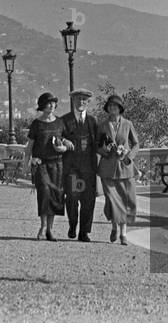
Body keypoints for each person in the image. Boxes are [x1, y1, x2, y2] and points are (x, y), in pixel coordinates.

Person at [22, 92, 67, 241]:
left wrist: (64, 148)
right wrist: (25, 164)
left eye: (54, 103)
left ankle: (50, 229)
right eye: (49, 103)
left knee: (55, 196)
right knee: (44, 193)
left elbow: (66, 141)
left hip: (57, 164)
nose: (52, 105)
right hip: (41, 164)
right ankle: (43, 226)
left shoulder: (60, 122)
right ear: (42, 105)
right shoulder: (37, 124)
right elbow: (30, 146)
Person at [97, 94, 138, 245]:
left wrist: (129, 156)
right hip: (108, 169)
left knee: (126, 200)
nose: (112, 108)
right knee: (113, 201)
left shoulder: (128, 124)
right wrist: (105, 151)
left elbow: (136, 144)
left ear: (120, 108)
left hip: (125, 168)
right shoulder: (102, 125)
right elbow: (97, 146)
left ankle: (124, 234)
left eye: (115, 106)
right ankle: (114, 226)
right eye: (110, 106)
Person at [59, 88, 99, 242]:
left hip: (88, 168)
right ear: (73, 101)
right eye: (78, 99)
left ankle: (84, 232)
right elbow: (56, 136)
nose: (81, 102)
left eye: (84, 100)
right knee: (73, 198)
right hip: (73, 169)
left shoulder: (93, 121)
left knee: (88, 200)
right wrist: (64, 140)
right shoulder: (64, 120)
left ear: (88, 102)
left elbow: (99, 141)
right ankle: (72, 225)